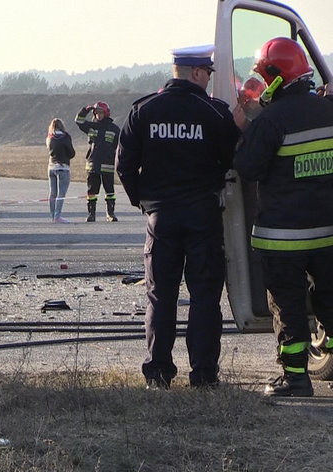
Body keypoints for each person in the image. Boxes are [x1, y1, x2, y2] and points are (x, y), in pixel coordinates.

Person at [116, 45, 239, 389]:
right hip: (202, 216)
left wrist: (145, 202)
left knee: (161, 295)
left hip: (161, 217)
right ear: (198, 73)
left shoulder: (144, 110)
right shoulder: (213, 112)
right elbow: (234, 158)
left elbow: (124, 165)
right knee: (204, 297)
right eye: (208, 75)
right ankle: (203, 375)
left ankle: (157, 373)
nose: (209, 81)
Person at [234, 37, 333, 397]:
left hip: (284, 236)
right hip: (328, 233)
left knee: (288, 305)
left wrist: (245, 127)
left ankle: (295, 378)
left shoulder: (272, 120)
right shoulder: (328, 110)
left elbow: (247, 168)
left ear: (275, 77)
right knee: (330, 298)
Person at [75, 101, 120, 222]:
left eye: (101, 113)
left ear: (106, 113)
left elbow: (118, 148)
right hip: (92, 164)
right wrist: (86, 109)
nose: (98, 115)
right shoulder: (90, 126)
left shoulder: (114, 129)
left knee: (110, 191)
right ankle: (91, 214)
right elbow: (78, 121)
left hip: (107, 165)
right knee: (92, 191)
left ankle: (110, 214)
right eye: (96, 113)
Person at [46, 118, 75, 224]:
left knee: (52, 193)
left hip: (51, 167)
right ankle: (57, 216)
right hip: (63, 167)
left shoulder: (49, 137)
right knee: (61, 194)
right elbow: (71, 153)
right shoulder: (65, 137)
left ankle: (53, 215)